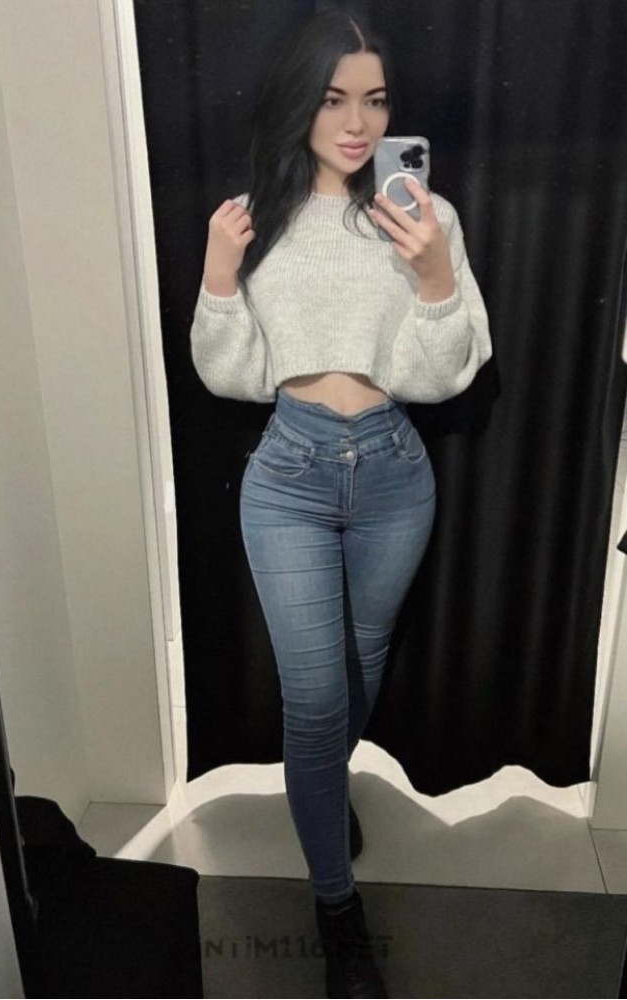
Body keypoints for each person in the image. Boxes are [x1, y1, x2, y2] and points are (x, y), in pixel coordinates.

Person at [189, 9, 492, 998]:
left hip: (394, 473)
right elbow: (232, 377)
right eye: (332, 100)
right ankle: (336, 910)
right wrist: (218, 278)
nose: (357, 124)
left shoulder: (424, 216)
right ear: (299, 103)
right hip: (289, 474)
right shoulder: (253, 217)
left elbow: (442, 376)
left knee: (360, 669)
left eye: (374, 100)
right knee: (315, 700)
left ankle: (320, 784)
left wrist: (435, 277)